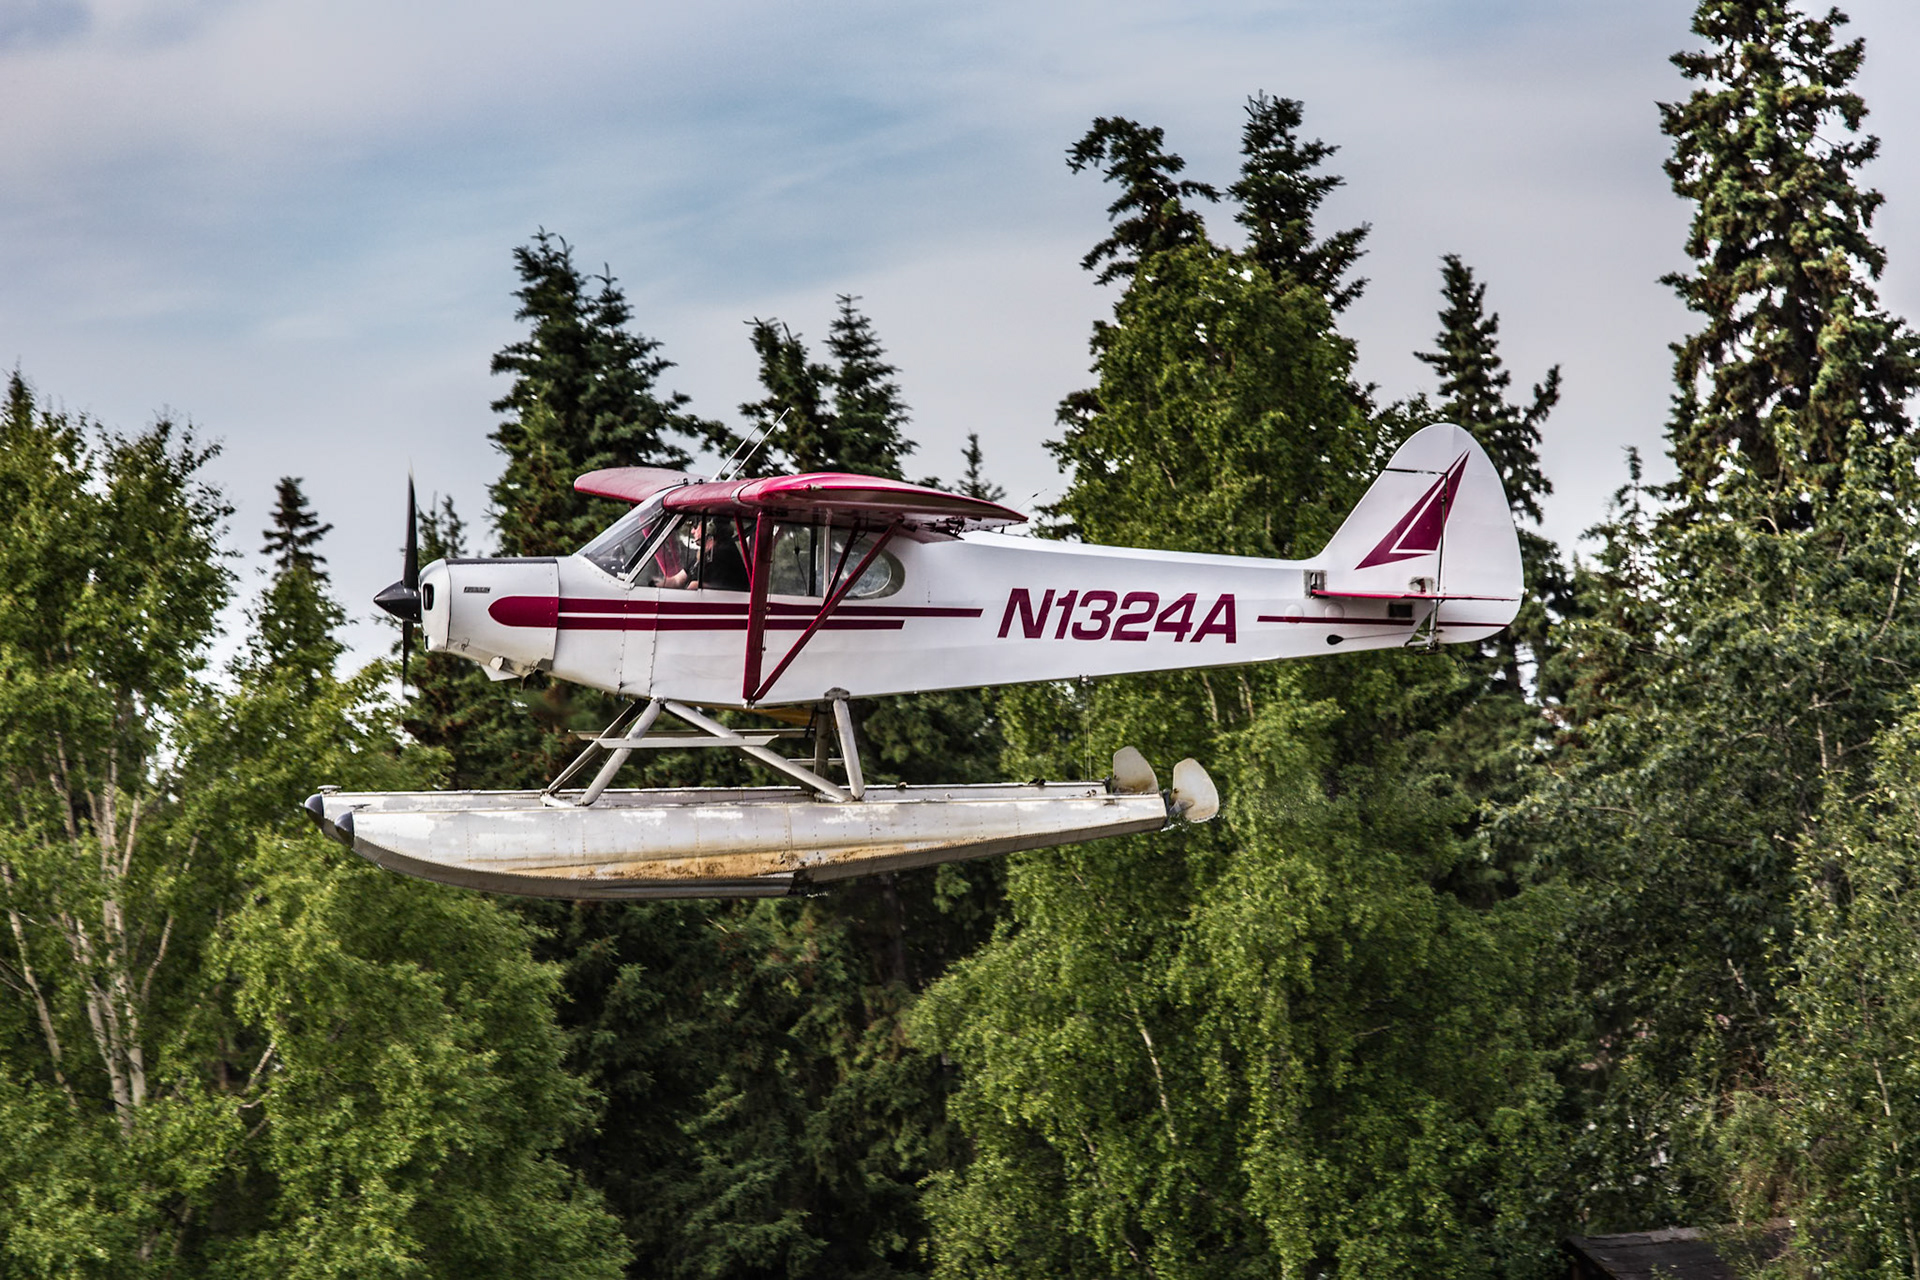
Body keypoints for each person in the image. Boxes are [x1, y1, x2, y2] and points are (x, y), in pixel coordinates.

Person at [659, 519, 750, 592]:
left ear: (709, 528)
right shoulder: (704, 554)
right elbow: (677, 580)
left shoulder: (723, 554)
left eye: (696, 526)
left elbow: (723, 588)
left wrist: (696, 585)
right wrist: (656, 583)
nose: (692, 531)